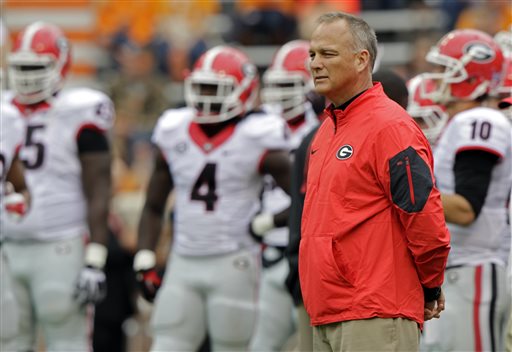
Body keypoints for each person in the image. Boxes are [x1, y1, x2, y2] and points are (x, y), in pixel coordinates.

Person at [299, 12, 451, 351]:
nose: (315, 64)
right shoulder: (327, 130)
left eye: (327, 54)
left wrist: (430, 285)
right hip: (327, 310)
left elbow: (423, 215)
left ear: (361, 59)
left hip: (375, 311)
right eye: (312, 55)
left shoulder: (390, 127)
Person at [133, 45, 292, 351]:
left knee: (233, 346)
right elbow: (153, 204)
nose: (206, 97)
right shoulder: (174, 129)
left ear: (244, 91)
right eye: (201, 87)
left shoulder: (257, 134)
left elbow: (306, 193)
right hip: (183, 259)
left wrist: (269, 222)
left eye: (216, 88)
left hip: (235, 260)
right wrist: (145, 257)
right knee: (167, 343)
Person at [1, 22, 114, 351]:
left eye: (36, 67)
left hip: (60, 243)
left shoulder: (78, 110)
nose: (27, 76)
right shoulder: (3, 109)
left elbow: (99, 186)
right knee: (7, 340)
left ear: (60, 66)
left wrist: (95, 257)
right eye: (21, 67)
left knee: (67, 340)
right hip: (7, 244)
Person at [419, 29, 511, 352]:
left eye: (447, 69)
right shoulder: (461, 122)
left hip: (474, 271)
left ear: (472, 77)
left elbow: (466, 209)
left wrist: (406, 190)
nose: (437, 77)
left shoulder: (480, 120)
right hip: (457, 273)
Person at [248, 39, 318, 352]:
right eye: (278, 85)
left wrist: (268, 221)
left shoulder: (323, 128)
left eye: (290, 84)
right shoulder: (258, 127)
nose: (281, 94)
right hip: (264, 252)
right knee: (261, 343)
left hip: (305, 250)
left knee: (314, 343)